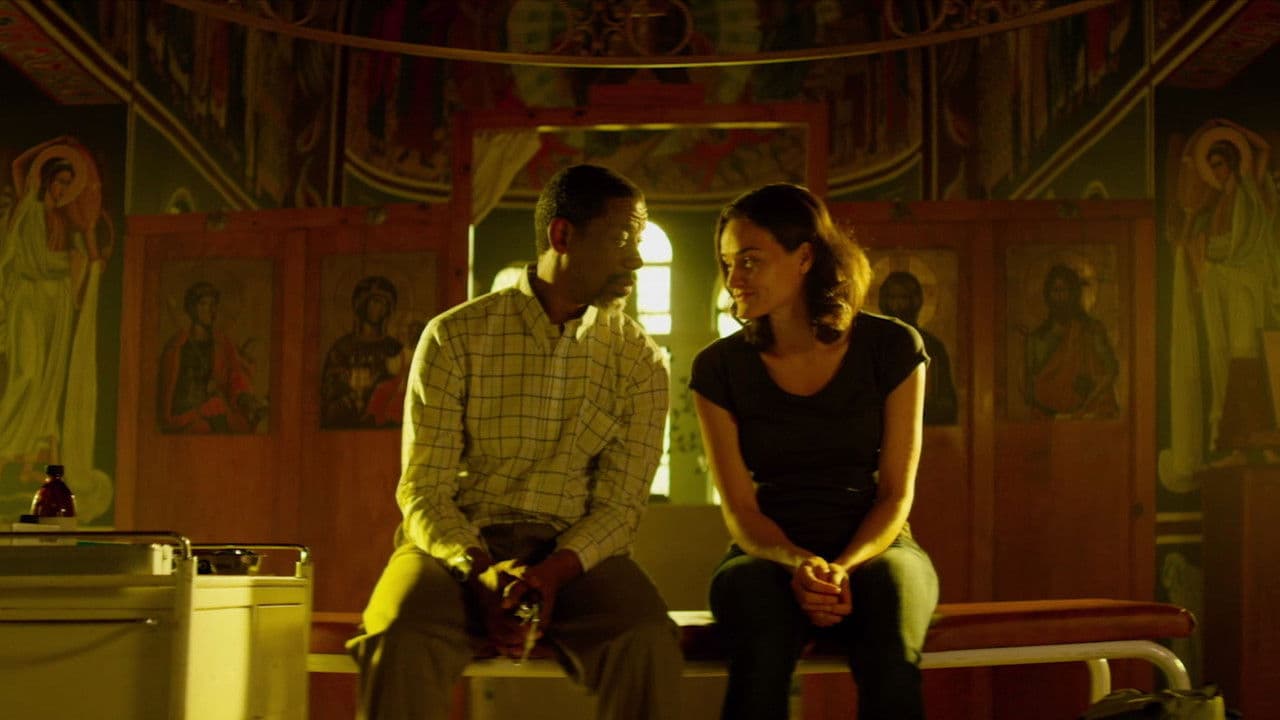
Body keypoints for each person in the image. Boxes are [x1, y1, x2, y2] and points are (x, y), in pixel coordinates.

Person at [347, 164, 680, 720]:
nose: (636, 260)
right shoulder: (456, 336)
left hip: (573, 555)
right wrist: (479, 567)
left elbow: (620, 508)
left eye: (638, 242)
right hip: (458, 544)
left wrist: (550, 574)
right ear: (562, 235)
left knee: (646, 640)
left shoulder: (640, 361)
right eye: (622, 239)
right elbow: (424, 489)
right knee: (398, 633)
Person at [690, 184, 938, 720]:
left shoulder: (893, 347)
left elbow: (896, 495)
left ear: (805, 257)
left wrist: (842, 568)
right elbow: (741, 511)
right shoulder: (718, 368)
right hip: (766, 553)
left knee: (892, 650)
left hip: (878, 546)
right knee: (758, 652)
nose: (733, 279)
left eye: (750, 261)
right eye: (728, 264)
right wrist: (798, 562)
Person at [158, 281, 266, 433]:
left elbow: (235, 376)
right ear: (191, 308)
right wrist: (199, 410)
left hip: (216, 411)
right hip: (186, 417)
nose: (210, 309)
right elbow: (167, 393)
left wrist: (243, 398)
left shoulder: (223, 344)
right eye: (203, 304)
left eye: (213, 304)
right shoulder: (175, 347)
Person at [1024, 263, 1119, 419]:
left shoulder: (1091, 330)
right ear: (1048, 295)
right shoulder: (1037, 338)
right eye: (1055, 291)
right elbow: (1029, 384)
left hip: (1088, 415)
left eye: (1065, 290)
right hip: (1047, 418)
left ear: (1074, 294)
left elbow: (1111, 370)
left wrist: (1090, 397)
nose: (1060, 297)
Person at [320, 275, 404, 428]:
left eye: (384, 304)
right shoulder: (343, 347)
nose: (379, 308)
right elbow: (329, 389)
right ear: (362, 304)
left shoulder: (394, 348)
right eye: (375, 302)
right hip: (346, 420)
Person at [877, 270, 958, 425]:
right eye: (892, 298)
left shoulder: (932, 347)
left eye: (903, 298)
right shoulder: (873, 345)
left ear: (916, 301)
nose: (897, 305)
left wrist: (911, 411)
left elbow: (947, 406)